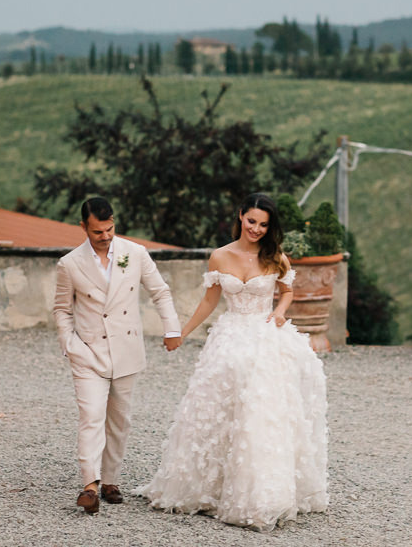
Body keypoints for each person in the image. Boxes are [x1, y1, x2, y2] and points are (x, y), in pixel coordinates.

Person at [134, 193, 328, 531]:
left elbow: (287, 292)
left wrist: (280, 313)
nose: (256, 229)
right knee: (217, 408)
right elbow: (210, 300)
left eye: (263, 224)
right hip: (230, 336)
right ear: (240, 216)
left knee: (261, 412)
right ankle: (211, 487)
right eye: (251, 221)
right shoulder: (220, 256)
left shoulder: (275, 257)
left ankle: (260, 491)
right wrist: (181, 332)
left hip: (266, 335)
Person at [53, 197, 182, 514]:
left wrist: (172, 329)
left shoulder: (135, 253)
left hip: (126, 349)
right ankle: (90, 487)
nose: (106, 236)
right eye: (98, 231)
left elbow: (160, 291)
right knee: (91, 418)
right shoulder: (69, 264)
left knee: (119, 422)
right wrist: (70, 345)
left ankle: (110, 480)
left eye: (110, 228)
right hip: (89, 353)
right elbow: (61, 309)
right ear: (84, 227)